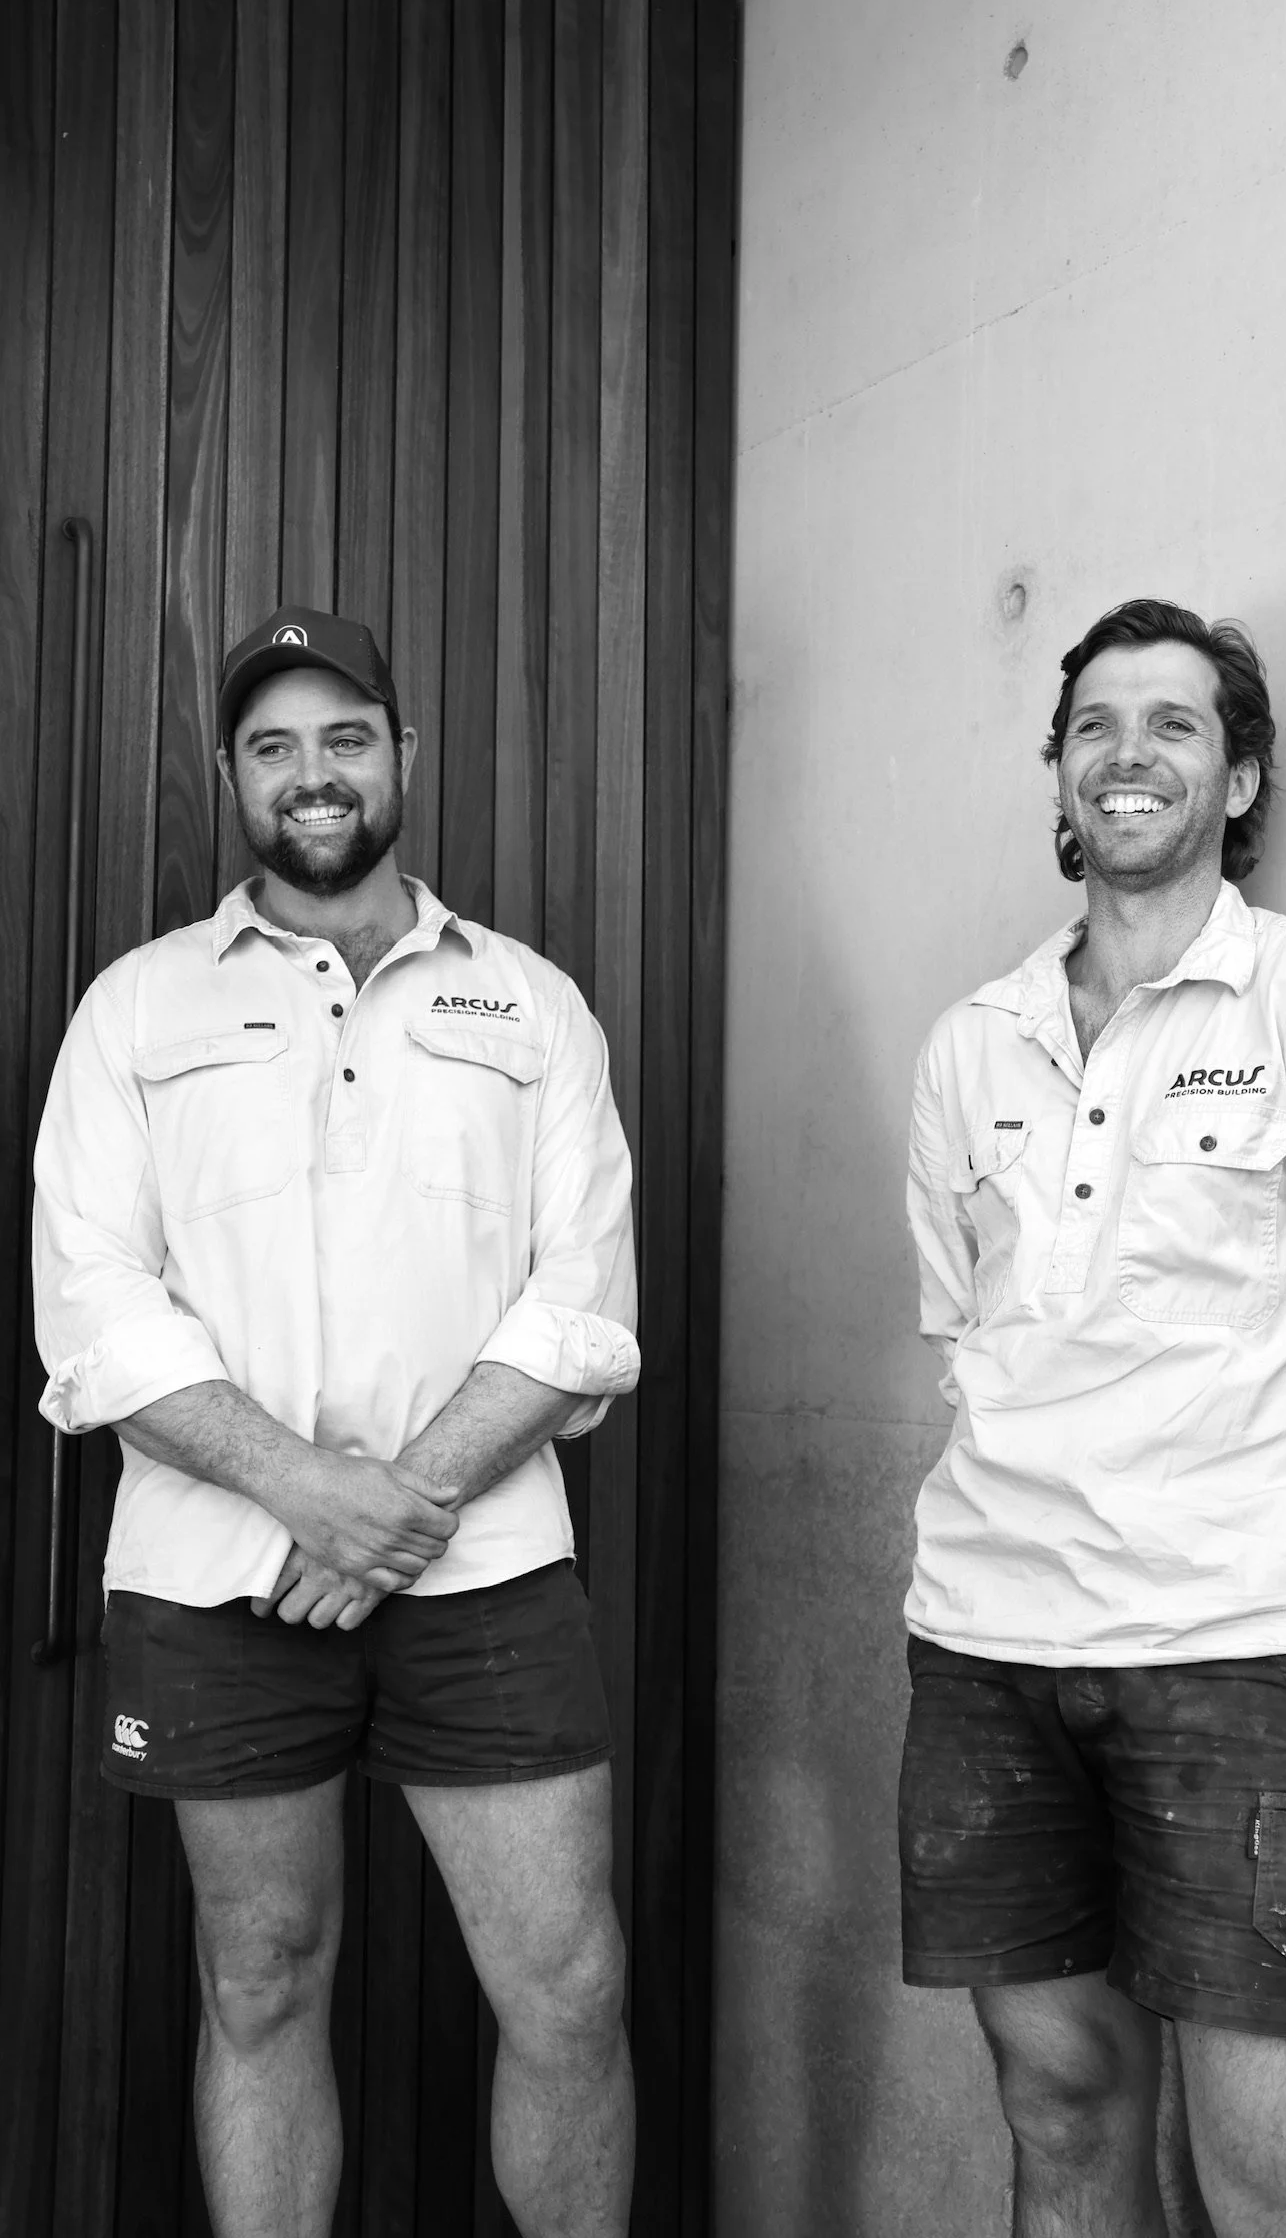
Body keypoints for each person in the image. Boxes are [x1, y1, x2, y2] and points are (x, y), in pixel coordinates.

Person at [33, 607, 639, 2238]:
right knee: (260, 1980)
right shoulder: (135, 1011)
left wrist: (397, 1507)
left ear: (404, 757)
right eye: (276, 745)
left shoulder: (532, 1006)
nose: (315, 774)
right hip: (218, 1574)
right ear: (233, 774)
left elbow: (584, 1299)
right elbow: (92, 1308)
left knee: (569, 1986)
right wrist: (309, 1490)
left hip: (487, 1567)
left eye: (347, 738)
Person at [899, 598, 1286, 2238]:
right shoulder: (975, 1045)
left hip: (1235, 1659)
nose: (1129, 753)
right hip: (984, 1651)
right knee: (1058, 2108)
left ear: (1238, 783)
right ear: (1060, 775)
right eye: (1095, 724)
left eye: (1174, 723)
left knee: (1285, 2181)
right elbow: (969, 1337)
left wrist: (1275, 1592)